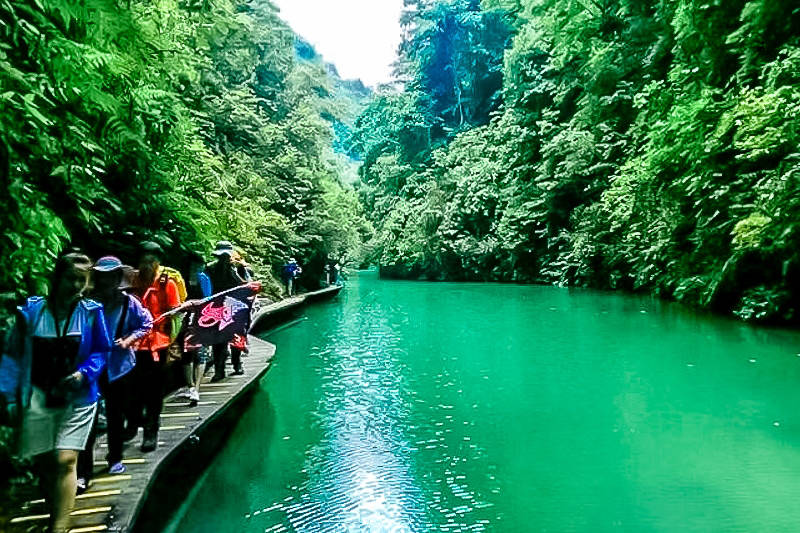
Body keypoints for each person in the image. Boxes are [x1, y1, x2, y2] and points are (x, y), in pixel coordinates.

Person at [0, 252, 111, 533]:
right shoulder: (32, 312)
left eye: (80, 280)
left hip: (78, 396)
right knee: (47, 462)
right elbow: (12, 356)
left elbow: (102, 350)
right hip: (38, 396)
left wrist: (83, 373)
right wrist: (10, 398)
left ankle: (59, 528)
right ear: (57, 278)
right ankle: (54, 513)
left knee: (65, 459)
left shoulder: (90, 312)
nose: (74, 285)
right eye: (70, 278)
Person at [77, 257, 152, 488]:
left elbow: (146, 323)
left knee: (116, 415)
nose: (107, 280)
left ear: (118, 278)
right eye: (103, 276)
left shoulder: (130, 303)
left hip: (120, 366)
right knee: (87, 419)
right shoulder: (87, 304)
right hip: (91, 367)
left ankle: (115, 457)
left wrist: (128, 340)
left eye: (112, 276)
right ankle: (83, 471)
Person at [130, 242, 182, 452]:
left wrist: (173, 344)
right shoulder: (132, 281)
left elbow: (174, 314)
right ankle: (133, 422)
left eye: (151, 260)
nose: (147, 264)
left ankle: (151, 430)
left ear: (158, 262)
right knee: (132, 388)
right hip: (132, 344)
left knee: (153, 390)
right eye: (143, 260)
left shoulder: (166, 283)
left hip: (157, 343)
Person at [206, 241, 246, 381]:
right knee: (218, 340)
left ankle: (237, 364)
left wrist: (235, 271)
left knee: (236, 337)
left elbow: (244, 284)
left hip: (234, 306)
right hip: (216, 306)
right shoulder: (210, 268)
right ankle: (219, 370)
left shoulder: (236, 268)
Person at [175, 252, 212, 405]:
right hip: (183, 320)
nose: (198, 267)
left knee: (200, 354)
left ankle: (196, 388)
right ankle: (190, 386)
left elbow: (209, 299)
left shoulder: (203, 278)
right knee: (186, 354)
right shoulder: (180, 279)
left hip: (200, 319)